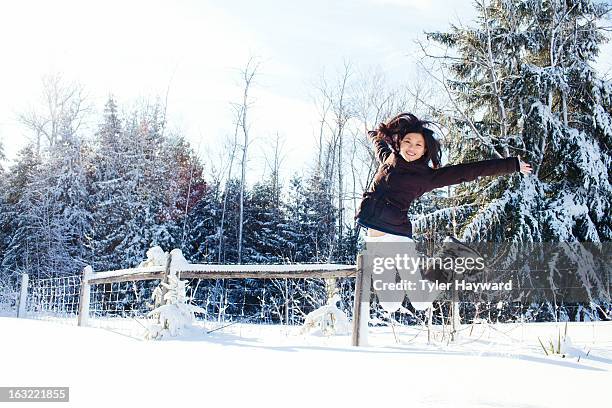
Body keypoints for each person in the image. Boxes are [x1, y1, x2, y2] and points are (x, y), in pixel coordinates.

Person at [355, 112, 532, 311]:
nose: (412, 148)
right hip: (375, 242)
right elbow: (378, 143)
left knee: (421, 302)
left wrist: (511, 164)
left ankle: (451, 255)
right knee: (389, 305)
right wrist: (373, 134)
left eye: (418, 144)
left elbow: (467, 172)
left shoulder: (426, 177)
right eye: (408, 142)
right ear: (399, 143)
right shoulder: (388, 159)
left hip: (398, 238)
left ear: (425, 151)